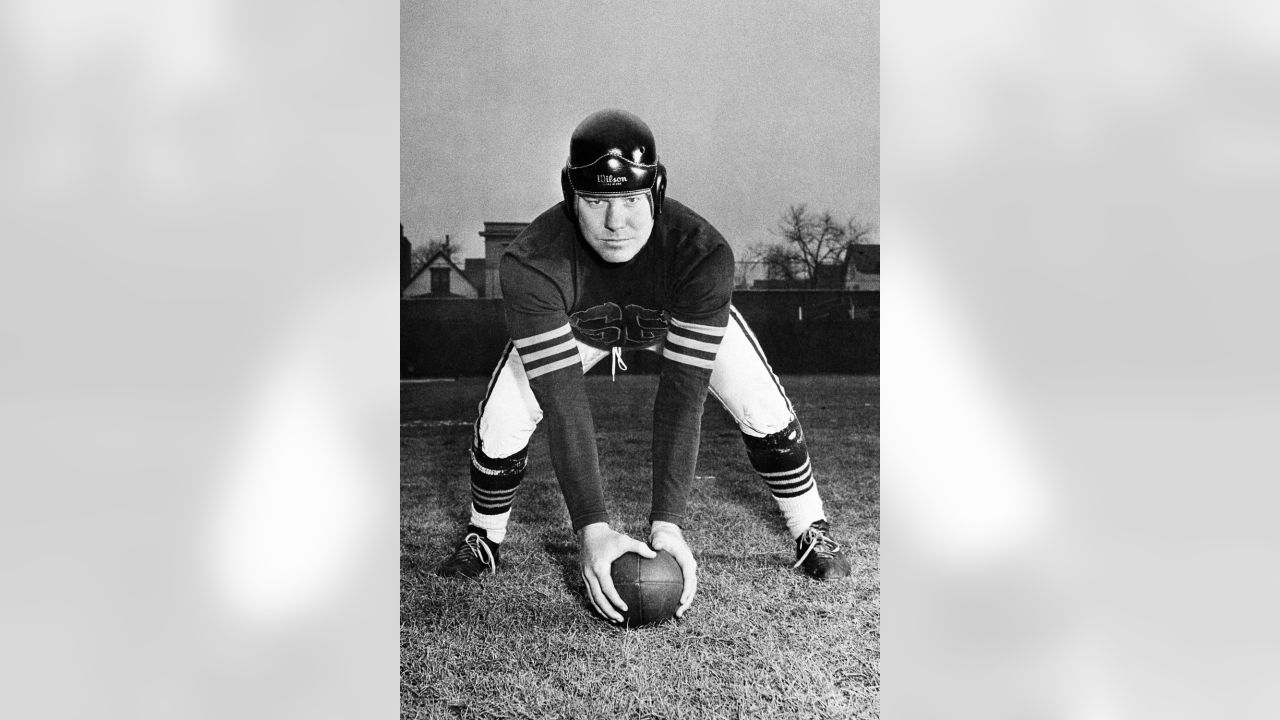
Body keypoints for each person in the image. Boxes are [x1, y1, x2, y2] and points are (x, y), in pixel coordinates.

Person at [435, 109, 851, 623]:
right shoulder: (532, 261)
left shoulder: (700, 253)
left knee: (763, 405)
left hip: (671, 319)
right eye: (596, 201)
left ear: (655, 191)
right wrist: (592, 527)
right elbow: (564, 404)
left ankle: (810, 528)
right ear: (571, 195)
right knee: (501, 420)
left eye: (630, 199)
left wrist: (667, 524)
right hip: (576, 327)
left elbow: (683, 396)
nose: (616, 223)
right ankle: (484, 535)